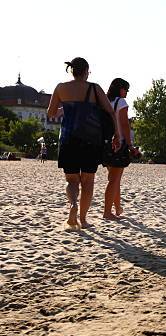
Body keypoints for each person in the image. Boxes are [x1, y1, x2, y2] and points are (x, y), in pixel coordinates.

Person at [47, 57, 119, 229]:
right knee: (88, 182)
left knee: (71, 180)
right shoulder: (94, 88)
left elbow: (51, 113)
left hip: (68, 139)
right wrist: (116, 133)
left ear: (72, 70)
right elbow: (110, 111)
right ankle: (84, 219)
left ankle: (72, 205)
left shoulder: (61, 88)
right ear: (86, 71)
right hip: (90, 140)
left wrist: (68, 108)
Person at [103, 78, 137, 220]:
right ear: (120, 88)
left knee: (114, 178)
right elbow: (124, 125)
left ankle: (117, 208)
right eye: (126, 89)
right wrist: (130, 145)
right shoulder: (121, 102)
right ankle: (107, 212)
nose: (127, 92)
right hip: (119, 143)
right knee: (114, 179)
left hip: (106, 143)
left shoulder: (105, 102)